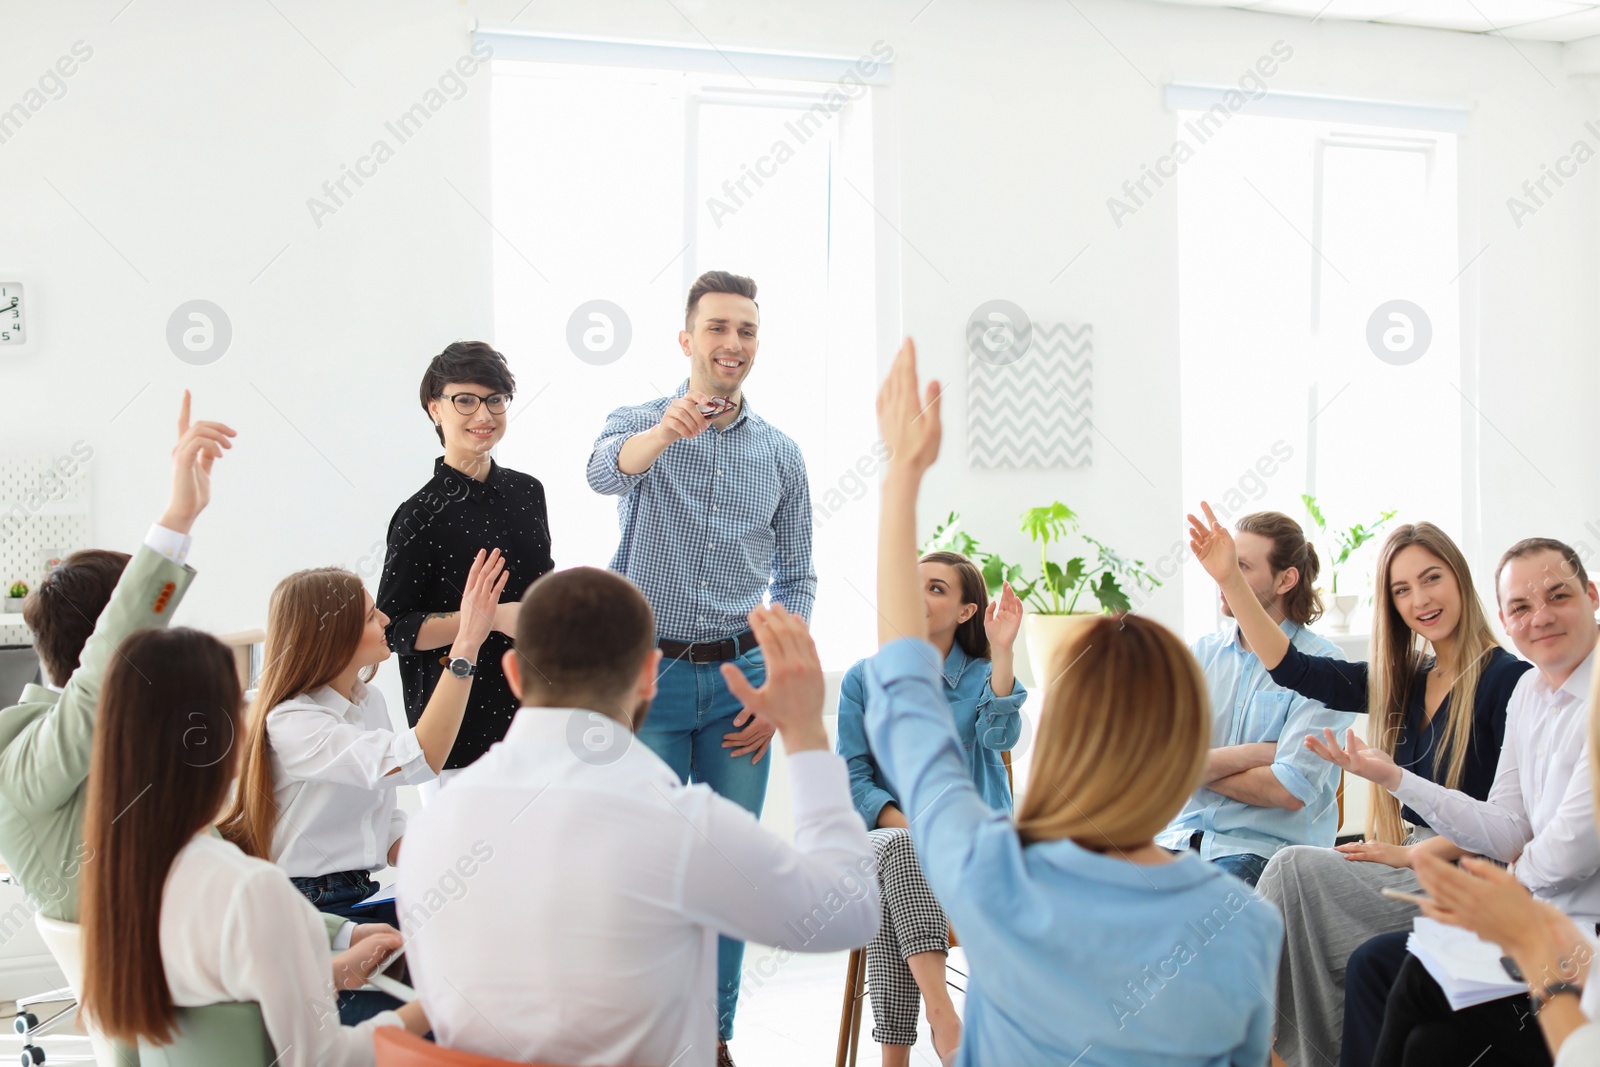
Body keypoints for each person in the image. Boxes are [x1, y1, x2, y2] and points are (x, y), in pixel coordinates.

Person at [862, 339, 1281, 1066]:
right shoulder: (1245, 926)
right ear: (1183, 747)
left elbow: (903, 690)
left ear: (1058, 734)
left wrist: (902, 475)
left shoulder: (992, 872)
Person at [395, 566, 875, 1067]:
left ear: (514, 673)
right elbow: (850, 913)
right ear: (650, 673)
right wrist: (805, 733)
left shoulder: (431, 828)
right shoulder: (680, 827)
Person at [1188, 503, 1529, 1066]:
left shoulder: (1507, 680)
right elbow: (1294, 667)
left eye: (1431, 579)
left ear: (1460, 579)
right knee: (1299, 884)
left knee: (1296, 871)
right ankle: (1282, 1049)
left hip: (1466, 875)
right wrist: (1228, 578)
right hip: (1412, 860)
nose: (1419, 600)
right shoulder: (1407, 680)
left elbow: (1510, 822)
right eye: (1401, 590)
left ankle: (1228, 1036)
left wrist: (1408, 855)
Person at [584, 269, 816, 1054]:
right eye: (718, 327)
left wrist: (778, 686)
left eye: (746, 330)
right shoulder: (640, 420)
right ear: (686, 340)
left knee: (728, 875)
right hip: (643, 679)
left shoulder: (781, 454)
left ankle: (712, 1039)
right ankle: (644, 1037)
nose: (733, 343)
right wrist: (663, 437)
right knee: (645, 868)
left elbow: (798, 576)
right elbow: (602, 471)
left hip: (737, 684)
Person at [77, 627, 429, 1066]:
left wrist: (336, 970)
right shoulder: (248, 888)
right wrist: (431, 1008)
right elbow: (324, 1059)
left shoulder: (123, 876)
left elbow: (224, 990)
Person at [1308, 538, 1600, 1067]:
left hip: (1581, 942)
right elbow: (1509, 825)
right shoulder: (1530, 692)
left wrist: (1505, 883)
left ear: (1592, 594)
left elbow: (1572, 851)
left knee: (1412, 973)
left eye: (1557, 596)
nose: (1541, 617)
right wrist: (1395, 777)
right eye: (1521, 607)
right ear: (1507, 622)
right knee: (1408, 1013)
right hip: (1538, 927)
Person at [220, 549, 507, 928]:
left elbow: (383, 821)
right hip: (305, 906)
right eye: (372, 615)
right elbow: (420, 758)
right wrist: (466, 643)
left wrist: (452, 858)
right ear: (334, 637)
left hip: (361, 893)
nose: (386, 619)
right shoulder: (291, 723)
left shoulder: (369, 701)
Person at [835, 551, 1025, 1064]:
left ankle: (895, 1060)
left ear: (966, 612)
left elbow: (999, 733)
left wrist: (1003, 651)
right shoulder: (863, 680)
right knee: (900, 849)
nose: (916, 596)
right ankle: (944, 1017)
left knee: (893, 898)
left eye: (936, 589)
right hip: (890, 841)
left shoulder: (985, 675)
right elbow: (852, 782)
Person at [378, 341, 553, 778]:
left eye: (496, 400)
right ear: (435, 408)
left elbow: (542, 592)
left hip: (537, 722)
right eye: (466, 400)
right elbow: (394, 631)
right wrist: (488, 618)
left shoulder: (528, 490)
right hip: (456, 734)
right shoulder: (418, 515)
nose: (484, 415)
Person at [1156, 510, 1353, 887]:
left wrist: (1191, 769)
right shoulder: (1201, 654)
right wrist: (1258, 753)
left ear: (1286, 580)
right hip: (1177, 840)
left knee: (1191, 918)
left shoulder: (1326, 668)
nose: (1222, 575)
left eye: (1240, 566)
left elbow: (1289, 789)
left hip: (1263, 854)